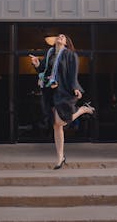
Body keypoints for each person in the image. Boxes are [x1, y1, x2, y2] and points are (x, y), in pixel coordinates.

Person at [29, 34, 95, 170]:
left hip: (63, 91)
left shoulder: (70, 55)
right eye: (59, 36)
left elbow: (73, 73)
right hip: (50, 92)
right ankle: (60, 157)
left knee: (61, 121)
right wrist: (37, 64)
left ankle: (82, 109)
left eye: (63, 37)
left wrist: (75, 87)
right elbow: (44, 70)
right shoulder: (50, 54)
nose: (60, 37)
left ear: (66, 43)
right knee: (56, 125)